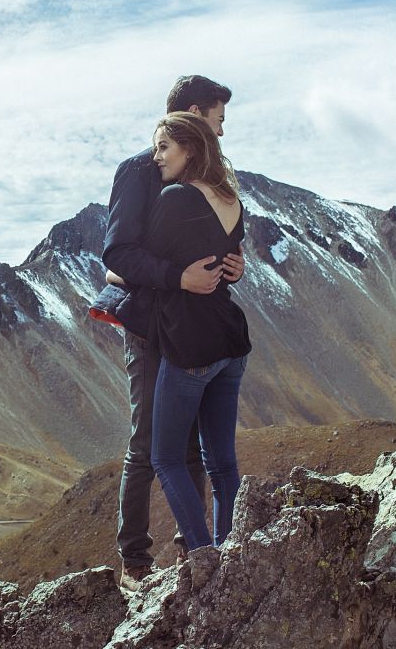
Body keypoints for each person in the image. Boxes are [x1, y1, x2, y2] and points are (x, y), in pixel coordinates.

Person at [90, 75, 244, 589]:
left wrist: (232, 264)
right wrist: (178, 276)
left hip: (190, 326)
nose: (221, 133)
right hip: (149, 325)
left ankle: (191, 548)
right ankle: (135, 559)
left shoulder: (209, 182)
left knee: (194, 445)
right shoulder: (140, 171)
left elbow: (207, 241)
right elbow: (117, 257)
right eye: (217, 121)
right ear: (196, 117)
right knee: (149, 442)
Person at [142, 112, 250, 551]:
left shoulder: (176, 200)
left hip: (192, 345)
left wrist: (117, 276)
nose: (156, 157)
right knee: (222, 461)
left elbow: (133, 266)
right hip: (231, 344)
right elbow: (227, 261)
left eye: (164, 146)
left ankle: (205, 556)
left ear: (189, 148)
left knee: (165, 459)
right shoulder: (231, 200)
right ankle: (231, 554)